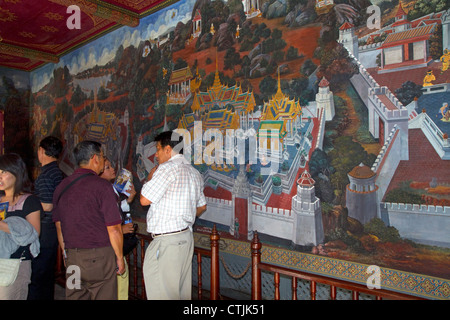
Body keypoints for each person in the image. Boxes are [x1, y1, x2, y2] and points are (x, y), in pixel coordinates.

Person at [52, 140, 124, 300]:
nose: (104, 161)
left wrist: (66, 254)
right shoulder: (102, 187)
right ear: (95, 158)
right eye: (103, 157)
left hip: (72, 258)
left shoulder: (61, 187)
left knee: (75, 296)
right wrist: (119, 257)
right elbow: (114, 228)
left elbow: (59, 227)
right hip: (99, 259)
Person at [140, 130, 206, 300]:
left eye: (158, 149)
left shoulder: (166, 169)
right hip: (185, 239)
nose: (156, 154)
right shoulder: (194, 173)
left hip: (167, 243)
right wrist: (183, 217)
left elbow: (144, 200)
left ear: (168, 149)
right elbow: (202, 206)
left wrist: (150, 177)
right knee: (180, 293)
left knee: (162, 294)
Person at [0, 153, 42, 300]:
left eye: (3, 172)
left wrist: (3, 226)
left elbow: (34, 233)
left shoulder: (29, 201)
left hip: (17, 264)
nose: (0, 177)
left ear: (16, 172)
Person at [28, 136, 65, 300]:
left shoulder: (45, 176)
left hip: (45, 230)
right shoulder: (59, 173)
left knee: (37, 276)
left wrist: (28, 205)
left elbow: (47, 205)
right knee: (47, 275)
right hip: (54, 228)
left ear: (41, 151)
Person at [100, 158, 137, 300]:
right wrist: (121, 229)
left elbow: (117, 209)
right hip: (108, 249)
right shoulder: (103, 191)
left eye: (111, 166)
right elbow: (101, 223)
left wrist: (128, 200)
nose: (112, 169)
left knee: (120, 285)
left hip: (114, 247)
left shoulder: (111, 189)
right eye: (107, 167)